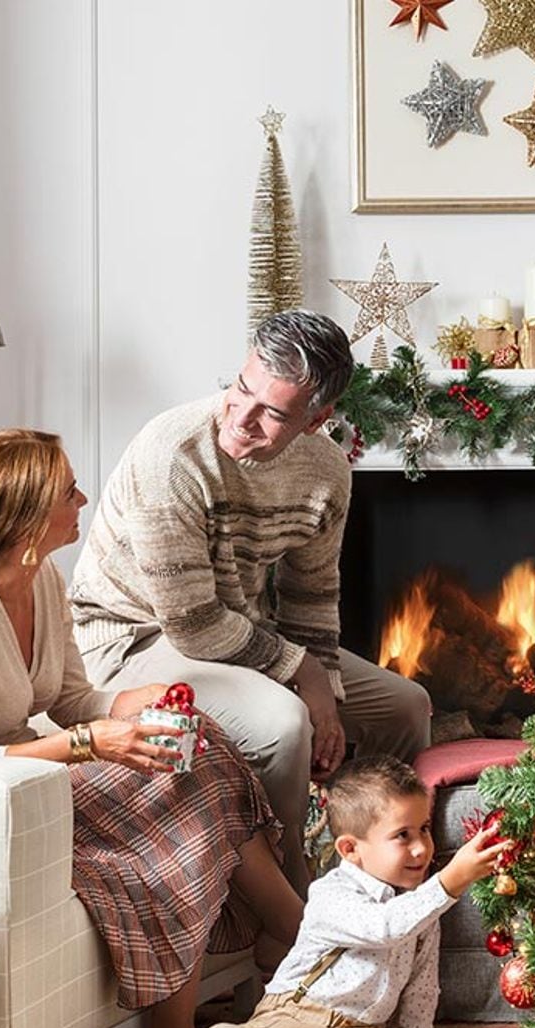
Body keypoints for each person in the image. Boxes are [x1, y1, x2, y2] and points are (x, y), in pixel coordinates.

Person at [0, 428, 302, 1028]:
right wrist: (91, 744)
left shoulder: (41, 577)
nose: (83, 498)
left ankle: (217, 997)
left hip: (23, 770)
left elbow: (75, 698)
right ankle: (294, 941)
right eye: (68, 491)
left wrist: (135, 702)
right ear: (29, 515)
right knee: (180, 788)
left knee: (196, 746)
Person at [69, 310, 432, 891]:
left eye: (273, 412)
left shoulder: (326, 472)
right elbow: (191, 626)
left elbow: (311, 594)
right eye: (241, 389)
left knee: (406, 706)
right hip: (131, 636)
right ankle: (291, 918)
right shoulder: (172, 456)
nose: (241, 417)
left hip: (242, 633)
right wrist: (304, 675)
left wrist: (329, 692)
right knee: (285, 725)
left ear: (317, 421)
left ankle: (371, 887)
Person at [194, 756, 511, 1028]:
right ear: (350, 849)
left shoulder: (422, 914)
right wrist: (449, 881)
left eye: (425, 829)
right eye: (403, 835)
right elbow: (385, 927)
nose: (421, 848)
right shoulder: (331, 894)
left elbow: (421, 994)